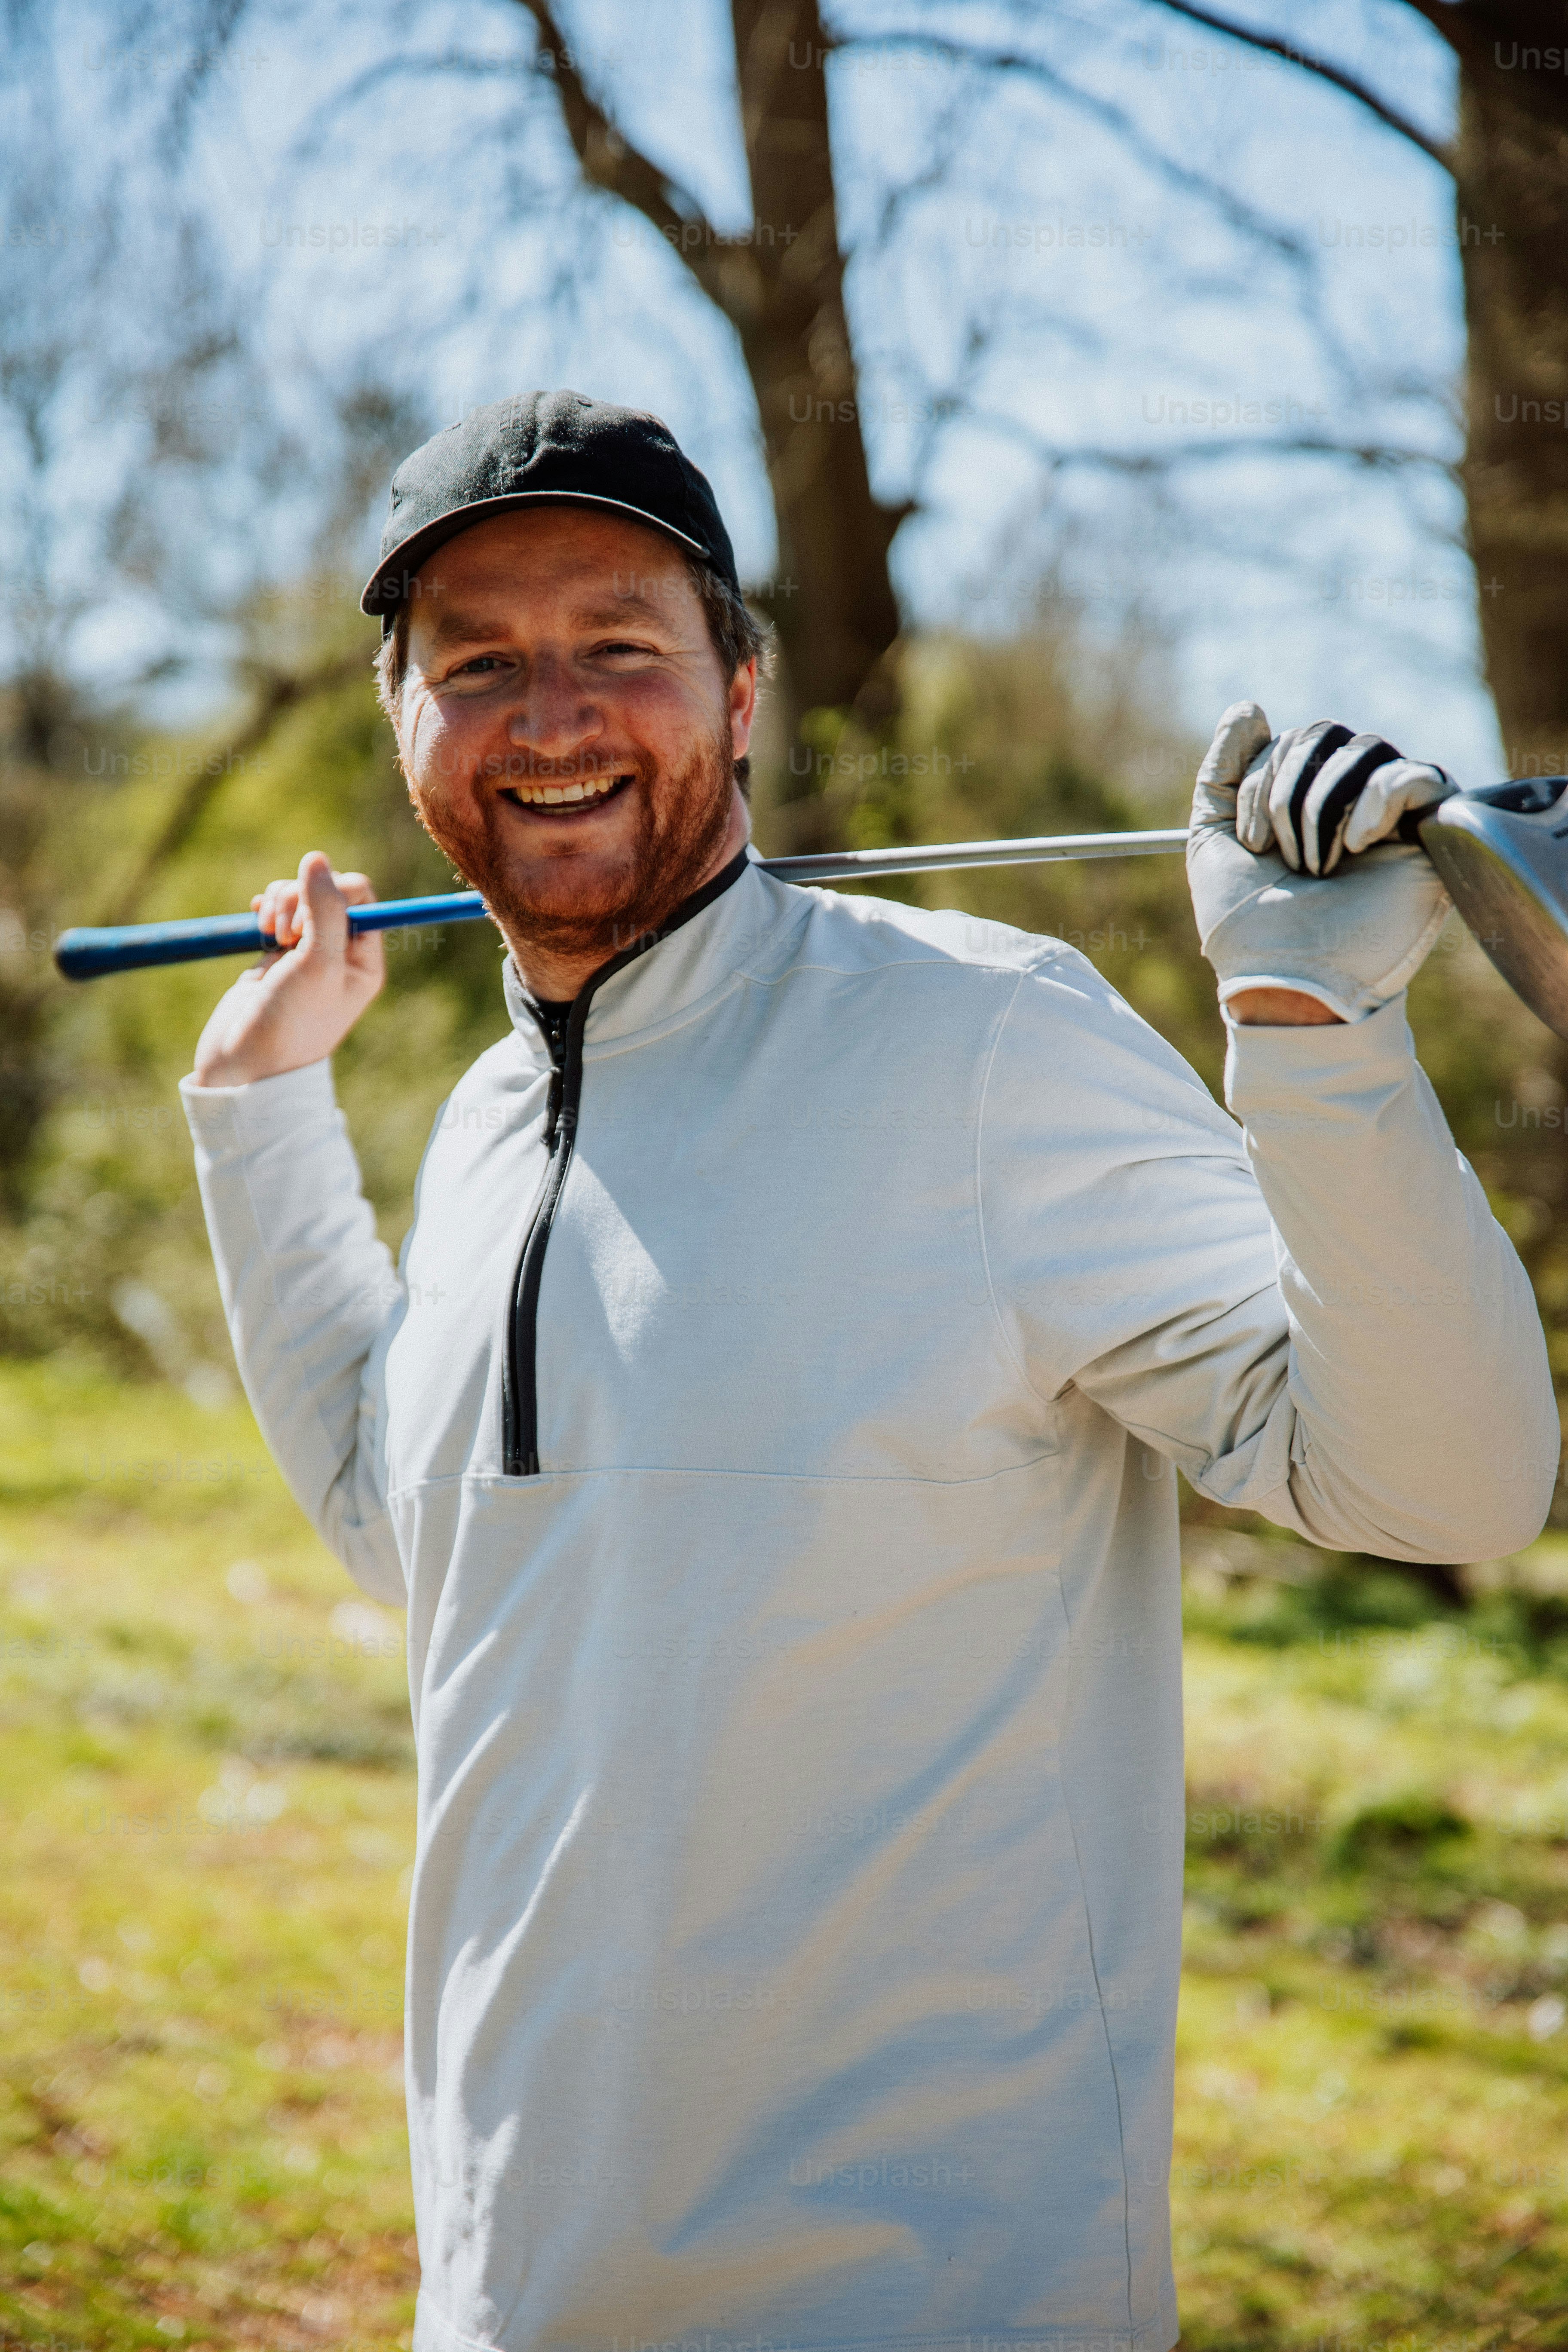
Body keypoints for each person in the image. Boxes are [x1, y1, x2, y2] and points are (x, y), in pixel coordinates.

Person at [183, 389, 1556, 2352]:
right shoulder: (488, 1118)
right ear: (403, 728)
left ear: (739, 693)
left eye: (621, 649)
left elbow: (1447, 1486)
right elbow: (429, 1552)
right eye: (476, 664)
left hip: (937, 2301)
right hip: (509, 2295)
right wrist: (258, 1114)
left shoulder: (989, 1045)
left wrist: (1312, 1022)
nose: (550, 714)